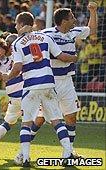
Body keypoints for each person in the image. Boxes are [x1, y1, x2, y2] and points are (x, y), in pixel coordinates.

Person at [2, 12, 78, 167]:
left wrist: (8, 77)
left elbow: (17, 67)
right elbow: (61, 56)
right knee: (57, 121)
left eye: (17, 24)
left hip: (31, 85)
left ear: (22, 25)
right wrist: (74, 58)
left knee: (27, 123)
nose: (15, 27)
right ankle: (68, 154)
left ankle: (25, 158)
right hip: (49, 83)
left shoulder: (18, 43)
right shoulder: (46, 38)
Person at [26, 3, 98, 158]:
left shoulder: (74, 32)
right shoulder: (47, 34)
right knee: (40, 119)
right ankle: (23, 149)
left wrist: (93, 11)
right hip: (51, 81)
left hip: (67, 81)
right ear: (64, 21)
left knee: (71, 116)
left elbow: (92, 30)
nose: (74, 20)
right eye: (72, 17)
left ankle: (69, 152)